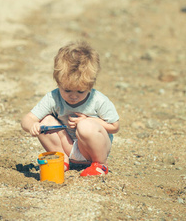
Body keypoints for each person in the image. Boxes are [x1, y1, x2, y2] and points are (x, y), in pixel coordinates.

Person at [21, 41, 120, 176]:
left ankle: (100, 165)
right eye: (67, 90)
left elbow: (114, 126)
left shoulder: (98, 100)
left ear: (90, 86)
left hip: (92, 149)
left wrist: (89, 120)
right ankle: (62, 159)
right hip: (67, 146)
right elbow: (28, 118)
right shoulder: (54, 97)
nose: (73, 96)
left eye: (80, 92)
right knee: (45, 121)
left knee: (85, 126)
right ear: (58, 83)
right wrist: (32, 125)